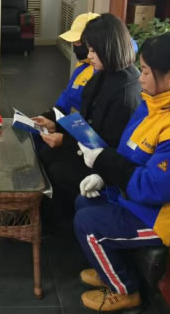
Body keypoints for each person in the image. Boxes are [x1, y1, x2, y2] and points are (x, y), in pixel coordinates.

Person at [74, 32, 170, 312]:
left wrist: (105, 163)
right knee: (84, 201)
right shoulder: (157, 101)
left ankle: (125, 290)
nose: (140, 78)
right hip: (150, 199)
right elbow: (133, 150)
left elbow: (154, 188)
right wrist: (105, 173)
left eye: (146, 71)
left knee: (88, 223)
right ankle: (107, 268)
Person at [34, 13, 141, 224]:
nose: (88, 56)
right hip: (86, 147)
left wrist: (65, 141)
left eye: (93, 50)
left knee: (56, 170)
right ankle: (38, 216)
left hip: (104, 163)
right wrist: (56, 125)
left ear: (108, 49)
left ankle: (55, 225)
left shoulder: (125, 94)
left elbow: (110, 143)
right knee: (45, 155)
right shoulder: (101, 74)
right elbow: (85, 120)